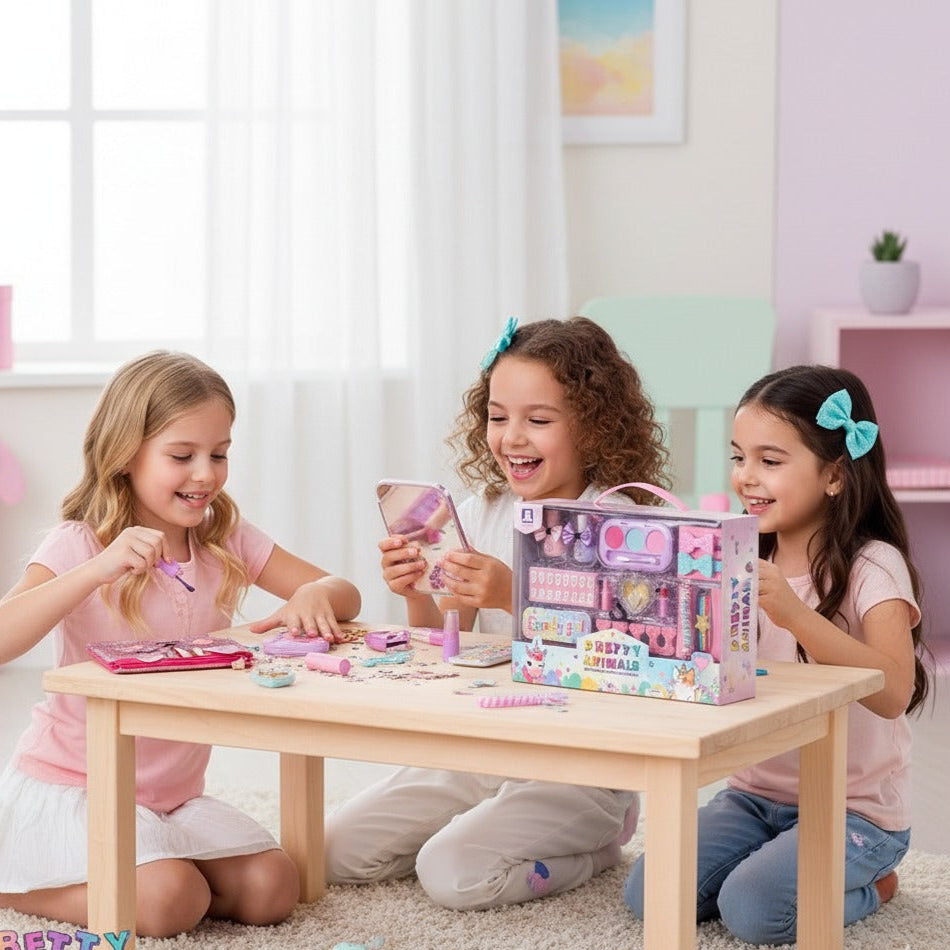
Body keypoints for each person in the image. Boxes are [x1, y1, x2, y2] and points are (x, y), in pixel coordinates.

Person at [0, 350, 361, 937]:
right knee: (172, 901)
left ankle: (157, 867)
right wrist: (95, 571)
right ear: (125, 455)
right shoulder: (81, 544)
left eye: (218, 454)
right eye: (181, 456)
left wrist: (316, 595)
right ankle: (14, 885)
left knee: (274, 887)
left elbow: (341, 591)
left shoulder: (225, 539)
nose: (205, 474)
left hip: (174, 796)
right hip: (78, 787)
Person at [325, 316, 670, 909]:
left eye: (538, 420)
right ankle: (479, 825)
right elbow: (441, 647)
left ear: (594, 426)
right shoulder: (479, 510)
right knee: (333, 849)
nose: (512, 437)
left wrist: (516, 592)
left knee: (452, 874)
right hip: (484, 748)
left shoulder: (626, 526)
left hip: (581, 765)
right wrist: (415, 590)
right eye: (497, 415)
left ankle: (598, 847)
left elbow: (630, 660)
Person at [624, 364, 931, 945]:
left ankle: (874, 884)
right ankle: (771, 858)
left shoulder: (874, 566)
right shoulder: (736, 555)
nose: (746, 477)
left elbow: (894, 693)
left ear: (835, 476)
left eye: (770, 460)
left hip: (856, 810)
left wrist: (794, 613)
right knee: (650, 894)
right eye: (738, 457)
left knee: (756, 911)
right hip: (753, 794)